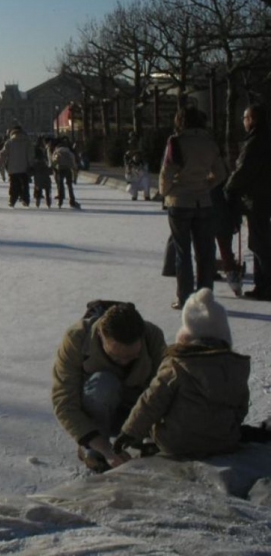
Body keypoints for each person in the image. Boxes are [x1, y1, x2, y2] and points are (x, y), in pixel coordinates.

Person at [114, 288, 249, 460]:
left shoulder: (177, 364)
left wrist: (129, 432)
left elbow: (151, 402)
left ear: (186, 335)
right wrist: (228, 430)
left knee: (157, 415)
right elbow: (241, 406)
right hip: (224, 441)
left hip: (176, 444)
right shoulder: (235, 366)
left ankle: (149, 445)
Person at [52, 301, 166, 472]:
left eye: (132, 356)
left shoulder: (152, 336)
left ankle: (145, 439)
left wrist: (152, 437)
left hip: (137, 412)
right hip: (96, 411)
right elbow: (65, 402)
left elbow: (163, 391)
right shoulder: (77, 338)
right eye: (117, 357)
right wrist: (106, 449)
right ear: (101, 335)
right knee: (103, 385)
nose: (125, 361)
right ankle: (92, 448)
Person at [159, 106, 226, 309]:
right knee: (205, 251)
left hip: (180, 201)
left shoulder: (176, 142)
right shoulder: (209, 143)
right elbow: (221, 173)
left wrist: (167, 191)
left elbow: (166, 172)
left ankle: (184, 296)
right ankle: (206, 296)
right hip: (203, 200)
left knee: (183, 251)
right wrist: (207, 185)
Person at [224, 103, 271, 300]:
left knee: (259, 243)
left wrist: (229, 187)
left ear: (252, 119)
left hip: (257, 197)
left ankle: (266, 286)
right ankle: (262, 284)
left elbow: (243, 170)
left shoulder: (255, 142)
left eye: (245, 118)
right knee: (260, 241)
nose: (243, 122)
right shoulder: (264, 138)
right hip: (263, 195)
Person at [0, 124, 33, 207]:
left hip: (12, 168)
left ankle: (12, 199)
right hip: (24, 168)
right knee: (24, 184)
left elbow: (2, 154)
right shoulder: (27, 142)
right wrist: (31, 164)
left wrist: (1, 162)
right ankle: (25, 199)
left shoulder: (9, 142)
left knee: (13, 184)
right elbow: (30, 155)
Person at [50, 137, 80, 209]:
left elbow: (54, 161)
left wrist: (53, 168)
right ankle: (72, 200)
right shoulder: (69, 152)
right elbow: (74, 164)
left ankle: (60, 201)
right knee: (69, 186)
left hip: (60, 169)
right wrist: (75, 177)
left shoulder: (56, 152)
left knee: (60, 186)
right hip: (68, 169)